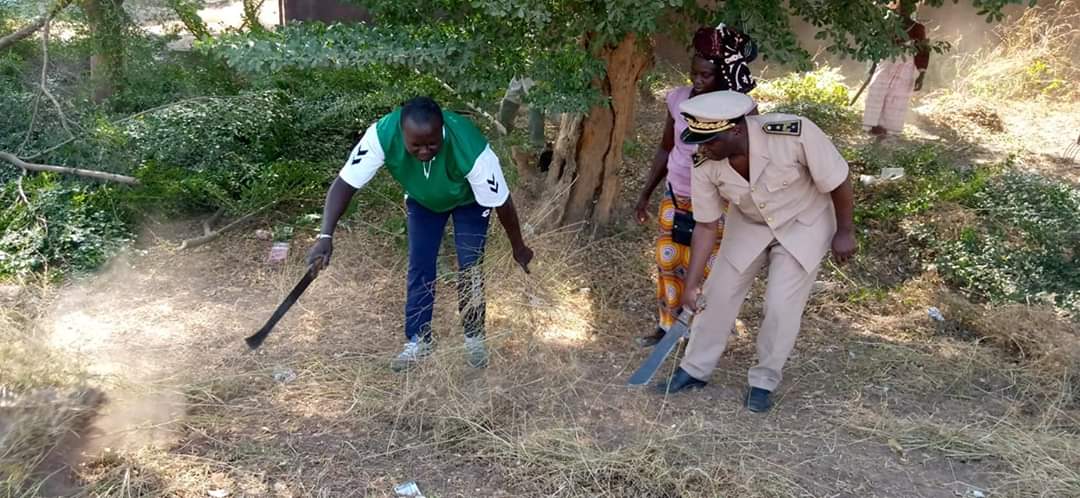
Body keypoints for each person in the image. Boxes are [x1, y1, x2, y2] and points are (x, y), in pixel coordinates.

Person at [656, 91, 856, 413]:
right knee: (716, 294)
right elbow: (706, 226)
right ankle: (694, 370)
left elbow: (838, 179)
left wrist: (845, 230)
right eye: (699, 141)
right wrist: (693, 284)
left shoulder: (794, 134)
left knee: (780, 305)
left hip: (804, 223)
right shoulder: (705, 161)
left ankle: (763, 381)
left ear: (735, 130)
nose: (702, 148)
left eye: (710, 140)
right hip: (749, 224)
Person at [307, 96, 534, 371]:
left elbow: (502, 203)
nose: (425, 151)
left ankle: (474, 336)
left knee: (470, 266)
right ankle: (418, 340)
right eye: (415, 145)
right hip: (423, 201)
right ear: (402, 133)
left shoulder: (471, 148)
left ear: (442, 132)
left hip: (470, 202)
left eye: (432, 144)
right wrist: (325, 237)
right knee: (420, 265)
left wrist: (518, 247)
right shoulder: (381, 136)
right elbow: (345, 183)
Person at [633, 24, 758, 347]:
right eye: (694, 74)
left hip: (718, 198)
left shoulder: (738, 108)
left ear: (722, 77)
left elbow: (751, 153)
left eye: (706, 75)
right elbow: (665, 148)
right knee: (668, 261)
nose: (698, 81)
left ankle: (700, 331)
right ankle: (666, 327)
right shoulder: (677, 99)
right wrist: (645, 193)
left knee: (706, 269)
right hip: (676, 193)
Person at [862, 0, 930, 137]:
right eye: (904, 5)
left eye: (909, 6)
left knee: (897, 95)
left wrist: (921, 73)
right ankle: (873, 126)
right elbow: (878, 47)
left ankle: (887, 128)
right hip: (886, 62)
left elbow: (922, 50)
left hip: (906, 65)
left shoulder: (918, 28)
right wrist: (873, 67)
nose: (905, 9)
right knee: (877, 90)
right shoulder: (887, 24)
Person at [497, 77, 553, 171]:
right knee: (535, 98)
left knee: (515, 90)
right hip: (531, 65)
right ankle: (537, 146)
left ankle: (502, 133)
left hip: (523, 64)